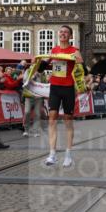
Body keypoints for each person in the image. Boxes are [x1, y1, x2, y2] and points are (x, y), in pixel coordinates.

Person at [45, 25, 83, 167]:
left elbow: (82, 67)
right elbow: (45, 64)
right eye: (61, 32)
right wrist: (35, 64)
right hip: (55, 87)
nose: (63, 34)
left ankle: (68, 154)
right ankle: (52, 154)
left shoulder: (75, 50)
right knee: (52, 118)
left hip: (68, 88)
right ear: (58, 34)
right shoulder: (54, 50)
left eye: (66, 32)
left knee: (68, 120)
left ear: (70, 36)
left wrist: (77, 59)